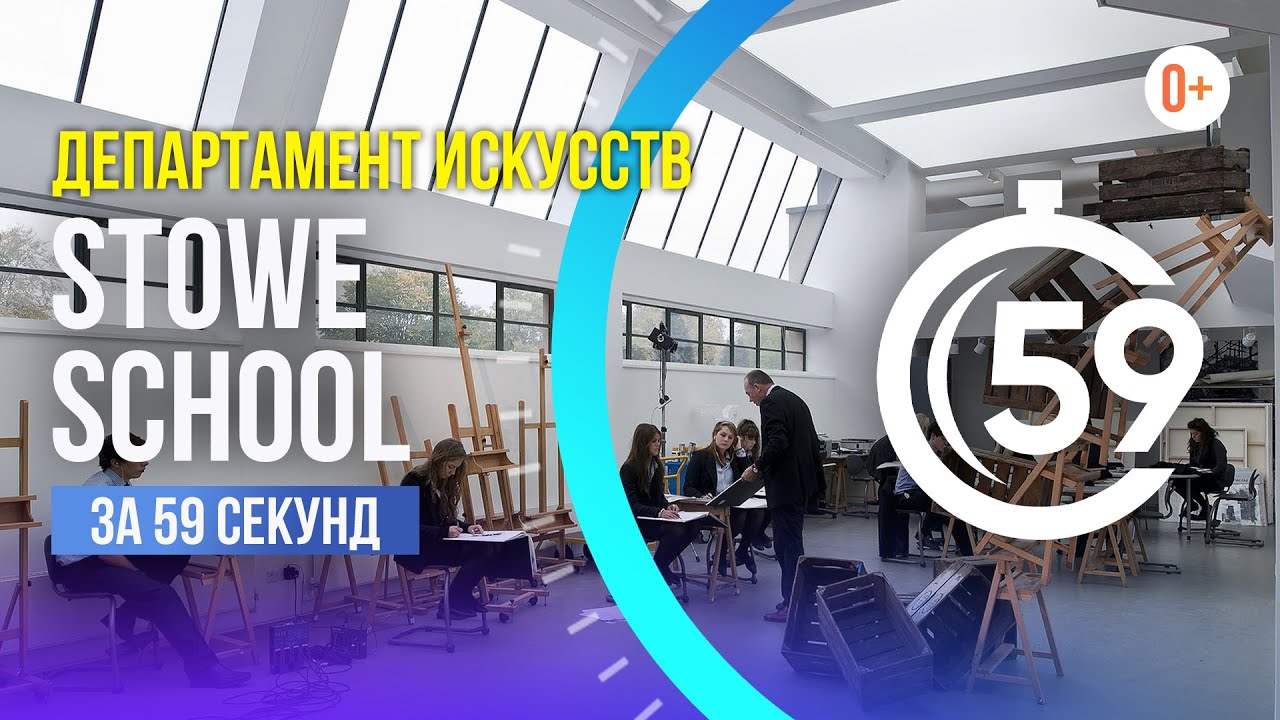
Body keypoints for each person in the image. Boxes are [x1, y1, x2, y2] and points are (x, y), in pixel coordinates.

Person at [54, 435, 250, 688]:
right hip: (81, 569)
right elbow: (105, 552)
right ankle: (203, 668)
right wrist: (137, 572)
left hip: (102, 558)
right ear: (116, 462)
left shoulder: (119, 486)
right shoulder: (99, 491)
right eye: (138, 457)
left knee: (176, 552)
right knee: (161, 594)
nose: (145, 462)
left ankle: (126, 614)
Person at [739, 370, 823, 623]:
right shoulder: (795, 400)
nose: (750, 400)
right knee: (792, 544)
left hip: (786, 487)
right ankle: (800, 598)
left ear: (758, 387)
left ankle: (792, 604)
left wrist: (756, 468)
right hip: (800, 485)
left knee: (787, 547)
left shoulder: (771, 403)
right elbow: (812, 442)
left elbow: (777, 442)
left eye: (749, 393)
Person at [394, 438, 498, 619]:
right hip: (416, 547)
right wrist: (443, 532)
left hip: (435, 542)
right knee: (482, 551)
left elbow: (444, 519)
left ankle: (456, 598)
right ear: (439, 460)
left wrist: (466, 527)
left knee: (487, 547)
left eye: (456, 468)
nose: (452, 472)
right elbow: (404, 527)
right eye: (450, 467)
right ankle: (454, 600)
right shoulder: (413, 482)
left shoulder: (441, 482)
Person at [621, 423, 700, 593]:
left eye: (658, 440)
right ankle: (660, 568)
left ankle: (659, 566)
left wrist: (668, 505)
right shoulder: (628, 469)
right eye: (654, 441)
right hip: (637, 520)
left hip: (652, 517)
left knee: (693, 526)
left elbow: (658, 497)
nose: (658, 444)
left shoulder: (656, 466)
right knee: (675, 531)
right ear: (643, 443)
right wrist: (659, 512)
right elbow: (632, 505)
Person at [682, 421, 768, 575]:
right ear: (715, 434)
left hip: (730, 503)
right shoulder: (700, 457)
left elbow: (750, 477)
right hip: (709, 506)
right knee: (740, 515)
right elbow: (688, 487)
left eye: (730, 437)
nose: (726, 440)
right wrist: (701, 495)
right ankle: (721, 553)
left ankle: (742, 550)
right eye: (723, 435)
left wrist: (740, 451)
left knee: (758, 512)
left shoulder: (735, 458)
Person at [894, 422, 974, 556]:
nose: (946, 443)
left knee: (951, 512)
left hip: (918, 493)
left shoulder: (935, 454)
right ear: (932, 436)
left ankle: (966, 550)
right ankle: (926, 533)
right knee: (944, 505)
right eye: (943, 439)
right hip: (906, 495)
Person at [1169, 417, 1231, 521]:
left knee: (1188, 484)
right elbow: (1193, 465)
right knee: (1175, 481)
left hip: (1215, 479)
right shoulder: (1195, 446)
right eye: (1191, 434)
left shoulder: (1216, 445)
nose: (1193, 437)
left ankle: (1203, 506)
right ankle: (1196, 504)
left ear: (1204, 433)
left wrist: (1208, 471)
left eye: (1196, 434)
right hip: (1199, 477)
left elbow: (1221, 466)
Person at [735, 419, 773, 552]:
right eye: (750, 439)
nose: (754, 442)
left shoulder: (751, 454)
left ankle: (759, 532)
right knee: (758, 512)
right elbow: (744, 473)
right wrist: (740, 452)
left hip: (750, 492)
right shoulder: (737, 454)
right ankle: (750, 540)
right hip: (738, 493)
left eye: (755, 439)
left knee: (771, 505)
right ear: (741, 438)